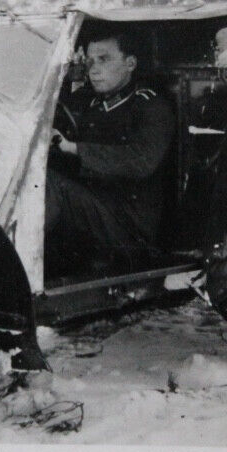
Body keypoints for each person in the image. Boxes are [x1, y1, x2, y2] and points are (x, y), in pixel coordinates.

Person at [46, 31, 174, 273]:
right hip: (94, 217)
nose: (93, 70)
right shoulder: (87, 101)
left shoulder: (151, 106)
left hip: (128, 229)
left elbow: (141, 162)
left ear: (130, 64)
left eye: (104, 60)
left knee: (50, 185)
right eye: (90, 62)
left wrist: (72, 148)